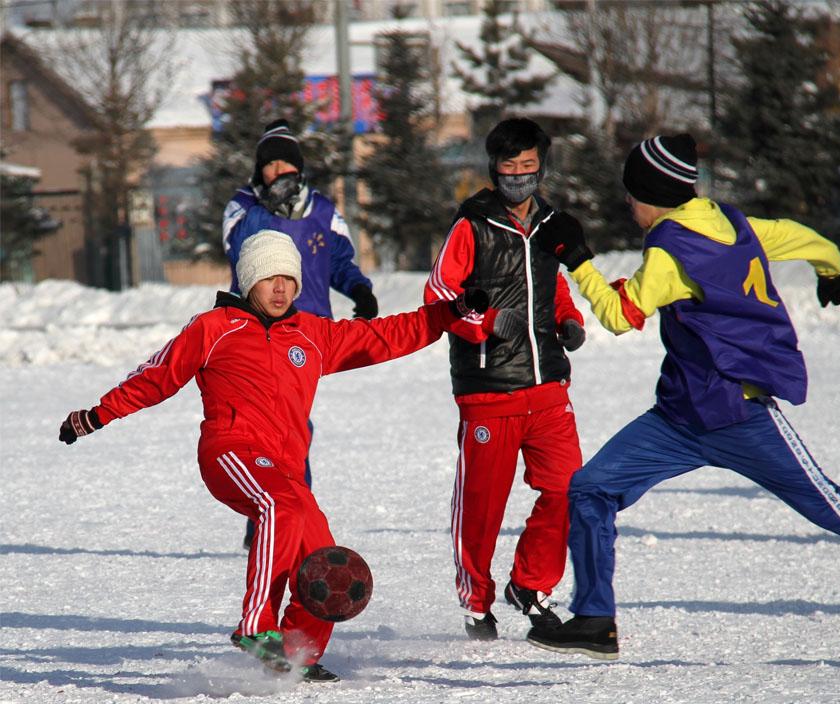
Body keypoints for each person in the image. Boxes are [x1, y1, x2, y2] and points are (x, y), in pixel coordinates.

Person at [525, 134, 840, 660]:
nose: (628, 204)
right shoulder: (729, 222)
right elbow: (793, 235)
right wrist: (833, 266)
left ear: (653, 193)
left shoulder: (672, 251)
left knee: (829, 505)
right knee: (592, 488)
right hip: (679, 415)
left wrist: (577, 257)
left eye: (632, 193)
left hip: (738, 412)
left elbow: (617, 315)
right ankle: (593, 618)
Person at [59, 229, 489, 680]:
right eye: (269, 278)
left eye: (288, 278)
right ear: (249, 281)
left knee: (321, 549)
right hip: (230, 450)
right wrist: (96, 415)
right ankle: (257, 628)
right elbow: (156, 377)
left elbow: (384, 335)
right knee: (279, 506)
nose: (280, 287)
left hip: (283, 467)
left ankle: (296, 652)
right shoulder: (213, 328)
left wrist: (450, 312)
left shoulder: (310, 334)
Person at [423, 117, 587, 640]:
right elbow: (440, 295)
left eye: (528, 166)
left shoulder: (551, 225)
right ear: (493, 168)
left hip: (547, 387)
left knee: (570, 489)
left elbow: (552, 284)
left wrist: (569, 319)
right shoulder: (471, 224)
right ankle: (476, 601)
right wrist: (488, 322)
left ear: (542, 167)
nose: (519, 175)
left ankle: (531, 585)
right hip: (489, 389)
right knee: (482, 506)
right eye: (509, 166)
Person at [223, 119, 378, 548]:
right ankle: (279, 512)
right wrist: (269, 208)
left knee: (290, 427)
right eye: (269, 164)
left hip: (305, 335)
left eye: (284, 163)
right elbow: (240, 253)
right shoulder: (241, 207)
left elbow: (340, 261)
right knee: (274, 426)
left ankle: (280, 512)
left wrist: (360, 290)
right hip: (255, 330)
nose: (277, 171)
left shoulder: (324, 211)